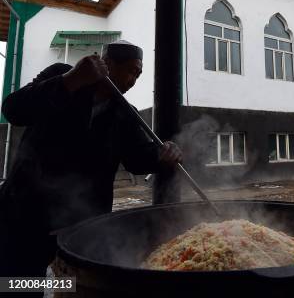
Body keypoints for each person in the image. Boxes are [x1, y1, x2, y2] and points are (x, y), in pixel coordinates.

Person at [0, 40, 182, 283]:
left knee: (73, 285)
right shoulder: (61, 75)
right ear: (106, 63)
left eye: (138, 75)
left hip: (82, 221)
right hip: (26, 211)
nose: (133, 81)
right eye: (130, 70)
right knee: (17, 283)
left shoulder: (125, 113)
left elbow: (137, 159)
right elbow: (14, 110)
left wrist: (163, 155)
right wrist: (71, 80)